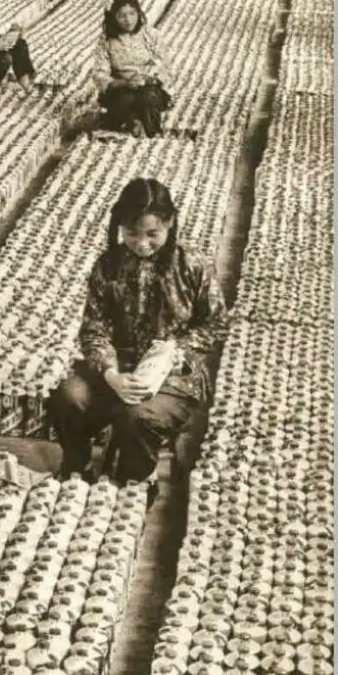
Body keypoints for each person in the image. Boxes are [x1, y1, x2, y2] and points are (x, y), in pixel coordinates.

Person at [50, 178, 229, 487]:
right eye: (132, 234)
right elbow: (93, 328)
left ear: (169, 223)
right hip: (119, 367)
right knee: (68, 396)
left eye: (152, 234)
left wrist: (176, 349)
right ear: (120, 227)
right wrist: (110, 374)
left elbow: (216, 323)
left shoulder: (191, 264)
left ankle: (136, 480)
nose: (142, 244)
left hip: (175, 375)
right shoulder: (109, 265)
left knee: (137, 417)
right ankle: (77, 466)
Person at [92, 0, 172, 138]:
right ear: (113, 17)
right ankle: (131, 123)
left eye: (132, 13)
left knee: (147, 97)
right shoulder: (106, 41)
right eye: (121, 15)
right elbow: (100, 74)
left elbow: (163, 64)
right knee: (126, 99)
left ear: (138, 13)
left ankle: (148, 132)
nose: (128, 20)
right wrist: (125, 83)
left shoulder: (150, 35)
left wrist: (147, 78)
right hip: (121, 90)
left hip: (149, 87)